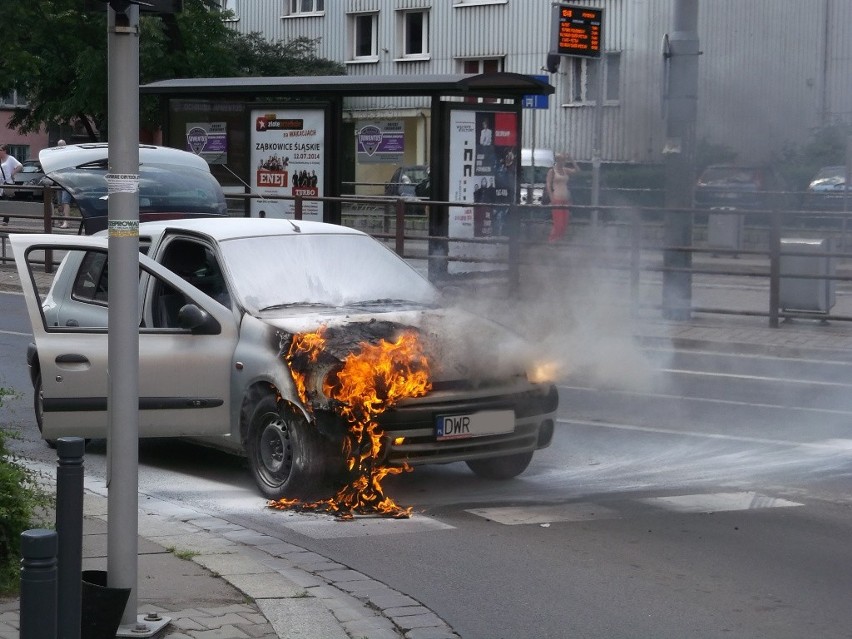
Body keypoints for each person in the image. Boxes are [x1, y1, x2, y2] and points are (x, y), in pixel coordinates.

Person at [545, 152, 580, 243]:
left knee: (565, 222)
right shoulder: (552, 171)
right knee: (558, 222)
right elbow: (548, 185)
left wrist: (572, 159)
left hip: (565, 197)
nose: (563, 162)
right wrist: (551, 197)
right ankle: (552, 240)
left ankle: (559, 240)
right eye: (561, 160)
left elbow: (577, 171)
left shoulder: (565, 170)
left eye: (564, 160)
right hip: (557, 198)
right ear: (557, 161)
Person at [0, 145, 23, 225]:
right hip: (0, 183)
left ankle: (5, 220)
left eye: (0, 150)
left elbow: (20, 166)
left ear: (4, 151)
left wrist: (13, 173)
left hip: (7, 183)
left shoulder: (10, 159)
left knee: (6, 201)